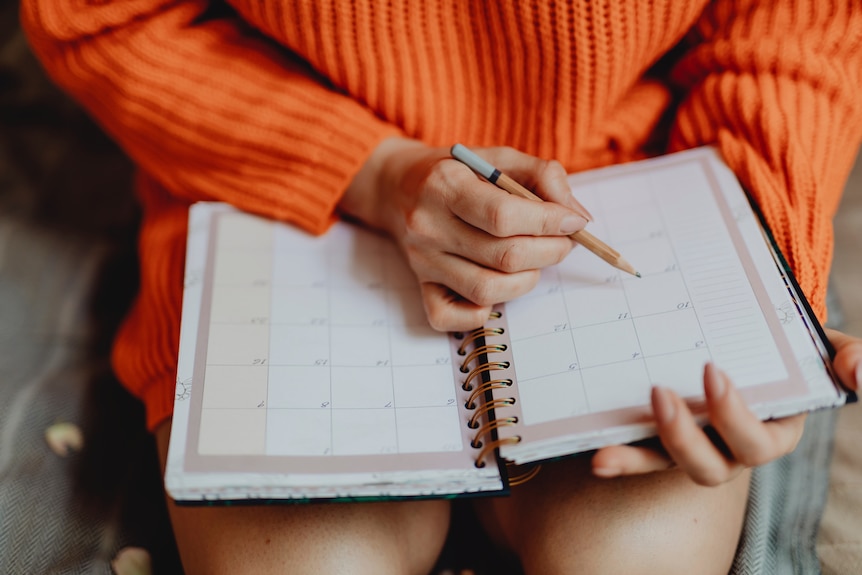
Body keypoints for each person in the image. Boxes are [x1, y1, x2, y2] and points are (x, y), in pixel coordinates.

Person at [21, 0, 862, 573]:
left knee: (640, 557)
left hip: (627, 178)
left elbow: (795, 29)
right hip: (274, 182)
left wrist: (761, 288)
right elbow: (105, 18)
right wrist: (375, 172)